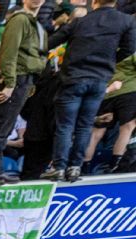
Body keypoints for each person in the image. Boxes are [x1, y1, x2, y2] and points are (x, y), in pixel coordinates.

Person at [41, 0, 136, 182]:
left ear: (94, 2)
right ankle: (75, 168)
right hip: (99, 79)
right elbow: (129, 49)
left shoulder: (81, 21)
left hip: (73, 78)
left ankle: (59, 167)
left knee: (66, 125)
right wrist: (109, 61)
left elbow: (51, 42)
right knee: (85, 125)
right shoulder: (126, 21)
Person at [0, 0, 46, 185]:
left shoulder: (36, 24)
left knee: (3, 128)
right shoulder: (20, 20)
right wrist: (10, 83)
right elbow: (8, 52)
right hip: (16, 79)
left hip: (24, 80)